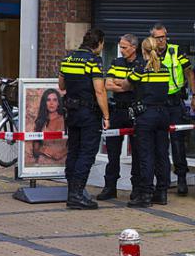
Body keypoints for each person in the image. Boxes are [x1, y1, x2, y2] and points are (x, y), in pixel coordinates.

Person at [58, 28, 110, 210]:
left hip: (71, 112)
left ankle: (72, 190)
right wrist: (106, 115)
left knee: (73, 150)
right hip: (88, 113)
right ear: (99, 43)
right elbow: (100, 91)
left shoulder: (68, 59)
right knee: (86, 153)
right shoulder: (93, 61)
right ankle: (77, 195)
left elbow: (61, 85)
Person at [122, 36, 172, 208]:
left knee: (146, 156)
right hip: (163, 114)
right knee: (162, 155)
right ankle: (162, 192)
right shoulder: (165, 69)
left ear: (142, 50)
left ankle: (145, 195)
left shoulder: (140, 69)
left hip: (146, 115)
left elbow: (125, 85)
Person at [151, 24, 195, 196]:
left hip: (175, 102)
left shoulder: (175, 51)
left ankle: (182, 179)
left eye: (163, 37)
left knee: (178, 143)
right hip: (158, 103)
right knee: (160, 144)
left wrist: (194, 96)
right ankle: (163, 180)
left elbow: (189, 73)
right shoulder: (149, 54)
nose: (161, 40)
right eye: (157, 37)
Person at [97, 34, 141, 201]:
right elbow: (107, 85)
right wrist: (127, 86)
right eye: (120, 47)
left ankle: (136, 188)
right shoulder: (117, 62)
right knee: (113, 152)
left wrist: (121, 83)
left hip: (135, 112)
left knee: (137, 152)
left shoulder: (140, 64)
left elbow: (138, 87)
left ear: (134, 47)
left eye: (124, 47)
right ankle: (110, 187)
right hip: (117, 111)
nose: (121, 50)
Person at [30, 88, 67, 165]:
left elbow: (74, 144)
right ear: (44, 103)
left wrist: (61, 153)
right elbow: (35, 150)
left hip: (64, 163)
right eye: (48, 100)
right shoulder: (41, 122)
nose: (51, 103)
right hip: (44, 162)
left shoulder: (66, 119)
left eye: (54, 100)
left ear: (59, 103)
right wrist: (46, 150)